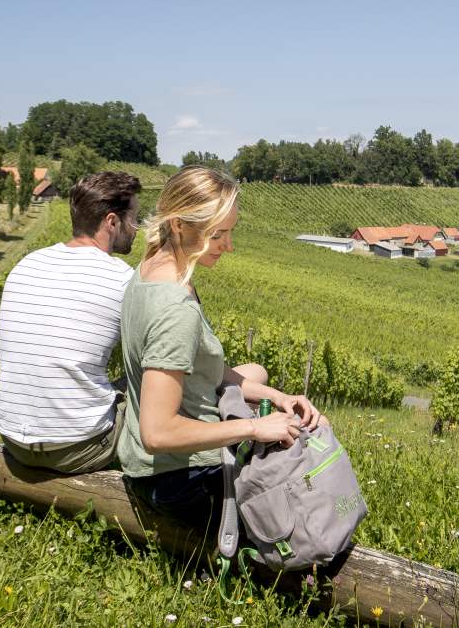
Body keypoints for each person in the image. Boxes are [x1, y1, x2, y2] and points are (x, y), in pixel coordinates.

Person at [117, 165, 323, 523]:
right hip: (181, 479)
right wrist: (255, 428)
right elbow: (158, 431)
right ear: (180, 224)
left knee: (260, 380)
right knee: (314, 504)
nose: (228, 245)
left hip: (156, 467)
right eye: (217, 235)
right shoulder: (175, 308)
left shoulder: (151, 268)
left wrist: (277, 397)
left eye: (230, 232)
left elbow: (202, 369)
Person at [0, 170, 141, 473]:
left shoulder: (27, 262)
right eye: (135, 217)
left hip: (12, 439)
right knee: (159, 382)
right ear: (112, 222)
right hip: (77, 448)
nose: (137, 227)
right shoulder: (123, 279)